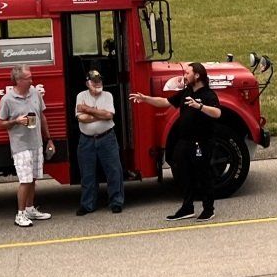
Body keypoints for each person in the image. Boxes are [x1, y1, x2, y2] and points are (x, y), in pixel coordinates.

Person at [132, 63, 222, 220]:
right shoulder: (186, 92)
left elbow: (217, 113)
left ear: (197, 76)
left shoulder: (208, 95)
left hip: (201, 141)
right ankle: (187, 208)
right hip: (184, 141)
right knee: (183, 172)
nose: (185, 75)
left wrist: (200, 106)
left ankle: (209, 209)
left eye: (187, 73)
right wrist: (145, 99)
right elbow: (165, 102)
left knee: (203, 173)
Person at [0, 66, 54, 225]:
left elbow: (41, 116)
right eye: (28, 78)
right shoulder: (7, 99)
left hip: (36, 143)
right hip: (20, 145)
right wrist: (16, 121)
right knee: (25, 180)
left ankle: (30, 209)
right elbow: (0, 124)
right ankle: (20, 214)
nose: (32, 80)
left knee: (33, 178)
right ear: (18, 80)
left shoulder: (35, 93)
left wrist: (48, 139)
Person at [73, 68, 124, 215]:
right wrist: (99, 113)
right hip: (86, 140)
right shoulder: (80, 95)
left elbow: (109, 115)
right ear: (87, 83)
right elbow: (80, 118)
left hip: (107, 138)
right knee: (87, 174)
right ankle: (87, 205)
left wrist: (87, 109)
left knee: (114, 170)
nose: (97, 83)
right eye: (94, 81)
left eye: (99, 80)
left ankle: (116, 202)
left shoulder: (107, 95)